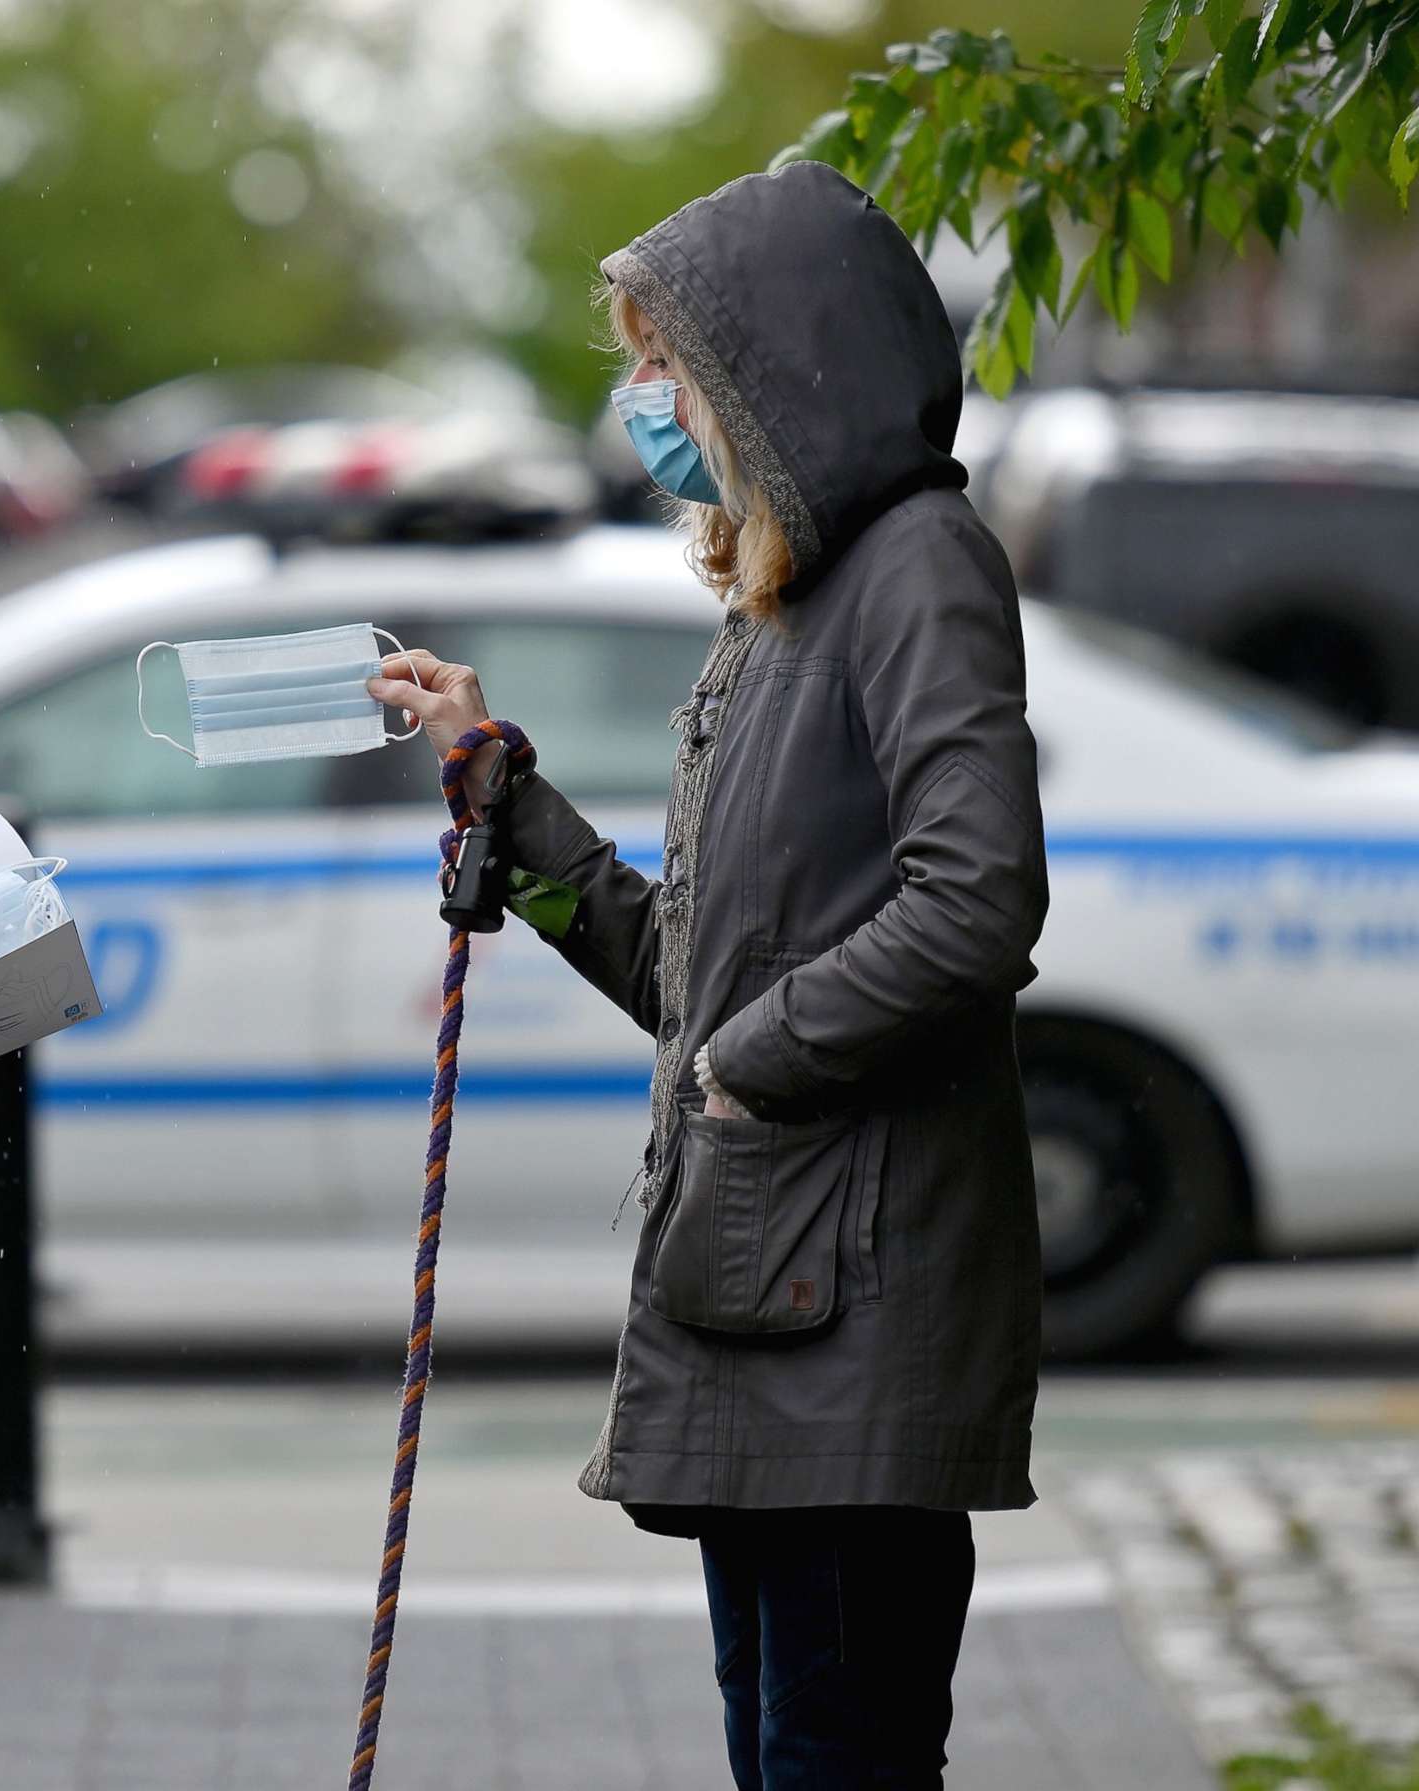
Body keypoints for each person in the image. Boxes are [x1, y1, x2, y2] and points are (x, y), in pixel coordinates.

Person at [372, 161, 1049, 1790]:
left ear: (771, 371)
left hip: (852, 1305)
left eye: (662, 360)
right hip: (771, 1292)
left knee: (832, 1758)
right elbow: (687, 967)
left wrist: (751, 1063)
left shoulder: (916, 565)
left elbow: (979, 902)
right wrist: (497, 789)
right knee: (786, 1754)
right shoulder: (781, 601)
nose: (640, 397)